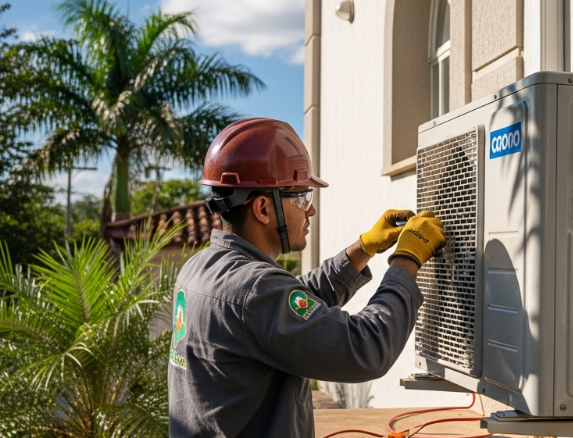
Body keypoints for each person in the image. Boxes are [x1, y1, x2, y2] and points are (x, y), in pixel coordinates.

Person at [168, 118, 446, 437]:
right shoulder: (253, 290)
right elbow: (366, 347)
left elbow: (294, 301)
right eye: (302, 197)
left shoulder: (200, 268)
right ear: (263, 208)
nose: (310, 211)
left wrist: (362, 248)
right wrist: (406, 259)